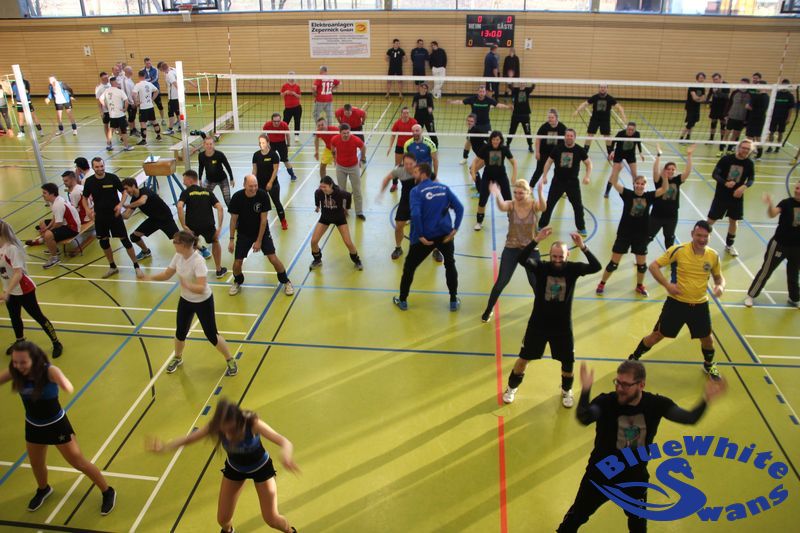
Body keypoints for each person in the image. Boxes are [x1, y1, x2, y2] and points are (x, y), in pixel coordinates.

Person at [556, 360, 726, 532]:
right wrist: (586, 389)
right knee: (573, 521)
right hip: (601, 474)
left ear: (641, 385)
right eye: (617, 382)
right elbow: (584, 417)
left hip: (634, 477)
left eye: (626, 385)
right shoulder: (606, 402)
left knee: (638, 526)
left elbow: (689, 418)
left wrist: (706, 399)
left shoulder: (656, 404)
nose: (620, 388)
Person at [146, 398, 298, 533]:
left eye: (231, 429)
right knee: (223, 520)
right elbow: (189, 439)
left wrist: (286, 454)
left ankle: (289, 531)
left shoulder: (252, 423)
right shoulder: (216, 426)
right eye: (223, 430)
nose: (227, 433)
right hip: (235, 469)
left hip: (261, 469)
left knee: (271, 519)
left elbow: (285, 442)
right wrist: (165, 447)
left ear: (238, 420)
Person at [1, 341, 117, 514]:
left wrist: (64, 384)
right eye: (15, 362)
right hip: (33, 425)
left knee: (78, 462)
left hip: (56, 425)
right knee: (36, 464)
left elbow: (66, 384)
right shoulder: (15, 371)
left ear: (34, 359)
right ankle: (43, 489)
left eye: (23, 362)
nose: (18, 366)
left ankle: (107, 491)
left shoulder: (49, 371)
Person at [502, 231, 601, 407]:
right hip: (538, 324)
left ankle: (566, 390)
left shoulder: (573, 269)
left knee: (567, 362)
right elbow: (521, 259)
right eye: (554, 256)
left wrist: (583, 247)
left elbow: (596, 267)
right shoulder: (541, 267)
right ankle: (511, 388)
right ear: (550, 255)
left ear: (567, 255)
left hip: (562, 327)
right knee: (524, 358)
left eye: (561, 256)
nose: (557, 260)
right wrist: (536, 240)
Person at [628, 221, 725, 380]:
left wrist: (720, 286)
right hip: (676, 304)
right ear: (692, 234)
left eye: (705, 236)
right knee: (657, 335)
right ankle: (633, 358)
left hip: (700, 305)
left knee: (707, 339)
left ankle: (709, 365)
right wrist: (667, 285)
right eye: (699, 235)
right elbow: (653, 266)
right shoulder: (678, 251)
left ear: (710, 236)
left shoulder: (713, 255)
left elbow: (719, 278)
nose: (702, 239)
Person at [140, 231, 237, 376]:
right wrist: (149, 278)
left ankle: (230, 359)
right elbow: (167, 274)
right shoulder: (178, 256)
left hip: (203, 301)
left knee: (212, 335)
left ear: (184, 245)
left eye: (175, 241)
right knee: (180, 333)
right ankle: (177, 357)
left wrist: (186, 285)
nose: (173, 243)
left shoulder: (198, 261)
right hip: (185, 300)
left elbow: (201, 287)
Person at [393, 163, 464, 311]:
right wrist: (455, 228)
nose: (413, 175)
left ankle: (403, 300)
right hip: (445, 235)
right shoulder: (444, 188)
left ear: (424, 174)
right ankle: (453, 300)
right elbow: (460, 207)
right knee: (450, 264)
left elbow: (415, 214)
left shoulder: (416, 191)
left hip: (425, 237)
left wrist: (420, 235)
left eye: (416, 172)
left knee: (409, 267)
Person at [481, 179, 546, 322]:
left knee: (535, 283)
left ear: (528, 193)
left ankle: (542, 311)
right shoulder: (511, 204)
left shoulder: (533, 205)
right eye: (515, 192)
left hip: (530, 249)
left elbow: (543, 207)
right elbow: (502, 206)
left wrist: (541, 192)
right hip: (512, 248)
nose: (517, 195)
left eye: (521, 193)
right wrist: (497, 194)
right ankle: (489, 309)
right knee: (501, 281)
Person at [596, 172, 669, 297]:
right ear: (634, 184)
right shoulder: (628, 194)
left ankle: (639, 286)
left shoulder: (649, 196)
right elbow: (614, 183)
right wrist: (616, 171)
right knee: (613, 264)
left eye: (642, 184)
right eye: (637, 183)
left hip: (641, 235)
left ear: (645, 185)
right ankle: (602, 283)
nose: (640, 186)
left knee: (642, 266)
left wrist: (665, 178)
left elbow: (664, 189)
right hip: (624, 233)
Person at [0, 221, 62, 358]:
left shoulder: (11, 249)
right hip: (9, 289)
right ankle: (20, 341)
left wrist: (7, 293)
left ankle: (56, 343)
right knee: (14, 317)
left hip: (24, 289)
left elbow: (18, 273)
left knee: (38, 316)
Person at [228, 175, 294, 296]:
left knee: (272, 258)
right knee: (237, 263)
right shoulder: (237, 197)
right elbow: (233, 220)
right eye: (251, 186)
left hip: (261, 232)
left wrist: (258, 241)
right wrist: (231, 240)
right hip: (244, 233)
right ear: (244, 185)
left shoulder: (262, 195)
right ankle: (237, 281)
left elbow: (263, 221)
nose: (254, 188)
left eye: (256, 185)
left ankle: (286, 281)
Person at [81, 157, 143, 278]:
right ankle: (112, 267)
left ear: (104, 166)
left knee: (125, 240)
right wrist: (87, 210)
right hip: (100, 217)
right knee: (104, 242)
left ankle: (136, 267)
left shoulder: (112, 178)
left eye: (102, 166)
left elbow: (124, 192)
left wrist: (120, 205)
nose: (100, 169)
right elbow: (84, 198)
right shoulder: (89, 181)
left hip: (114, 216)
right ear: (93, 168)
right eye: (97, 167)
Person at [744, 183, 800, 308]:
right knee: (767, 270)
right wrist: (770, 204)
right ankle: (751, 295)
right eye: (797, 188)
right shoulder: (786, 203)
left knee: (794, 273)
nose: (797, 191)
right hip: (779, 244)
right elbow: (772, 214)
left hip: (797, 247)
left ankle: (794, 298)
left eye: (799, 189)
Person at [537, 129, 593, 236]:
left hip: (573, 183)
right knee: (549, 204)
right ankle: (542, 225)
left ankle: (581, 228)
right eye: (567, 135)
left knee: (578, 206)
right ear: (564, 137)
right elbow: (548, 162)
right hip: (558, 181)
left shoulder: (579, 150)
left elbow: (589, 164)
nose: (569, 137)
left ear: (574, 137)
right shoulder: (557, 148)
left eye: (571, 136)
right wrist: (544, 176)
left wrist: (587, 176)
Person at [707, 139, 755, 257]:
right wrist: (725, 183)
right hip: (721, 196)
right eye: (743, 148)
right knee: (710, 220)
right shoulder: (726, 159)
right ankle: (700, 242)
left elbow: (751, 179)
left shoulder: (749, 163)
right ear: (739, 147)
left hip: (736, 197)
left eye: (748, 149)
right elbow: (715, 174)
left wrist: (744, 187)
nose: (745, 150)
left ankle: (729, 245)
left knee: (734, 221)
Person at [176, 170, 228, 278]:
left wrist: (183, 225)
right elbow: (220, 207)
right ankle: (219, 270)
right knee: (215, 241)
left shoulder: (186, 192)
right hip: (207, 224)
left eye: (184, 180)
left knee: (192, 245)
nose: (183, 182)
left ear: (190, 180)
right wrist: (219, 227)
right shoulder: (207, 192)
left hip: (192, 225)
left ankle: (195, 271)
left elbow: (180, 206)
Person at [309, 176, 363, 271]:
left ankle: (357, 261)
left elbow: (348, 196)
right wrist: (317, 205)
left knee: (348, 242)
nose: (322, 189)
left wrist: (347, 208)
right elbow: (316, 194)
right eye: (321, 186)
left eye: (325, 187)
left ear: (331, 185)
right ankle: (317, 260)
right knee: (313, 241)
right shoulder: (319, 192)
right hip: (325, 218)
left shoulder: (340, 193)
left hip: (339, 219)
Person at [121, 178, 180, 261]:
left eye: (126, 188)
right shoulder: (133, 200)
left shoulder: (145, 190)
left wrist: (128, 205)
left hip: (165, 218)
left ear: (133, 186)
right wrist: (115, 214)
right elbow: (127, 215)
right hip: (153, 219)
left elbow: (142, 201)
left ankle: (197, 249)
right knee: (134, 237)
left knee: (180, 238)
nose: (126, 191)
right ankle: (146, 251)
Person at [648, 145, 695, 249]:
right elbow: (655, 171)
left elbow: (687, 172)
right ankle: (640, 254)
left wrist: (689, 155)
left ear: (675, 171)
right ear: (664, 170)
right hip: (657, 215)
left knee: (669, 239)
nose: (670, 171)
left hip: (672, 216)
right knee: (648, 236)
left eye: (673, 169)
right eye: (668, 169)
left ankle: (670, 256)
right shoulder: (659, 180)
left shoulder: (677, 180)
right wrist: (658, 155)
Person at [472, 130, 517, 231]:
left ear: (500, 140)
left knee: (508, 199)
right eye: (493, 139)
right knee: (482, 200)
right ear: (491, 140)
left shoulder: (504, 149)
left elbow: (514, 162)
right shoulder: (486, 148)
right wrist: (473, 173)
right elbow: (475, 161)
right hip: (488, 176)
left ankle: (512, 221)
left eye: (497, 139)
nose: (495, 141)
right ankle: (479, 222)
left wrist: (514, 176)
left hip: (501, 176)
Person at [380, 153, 417, 260]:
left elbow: (435, 182)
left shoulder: (422, 170)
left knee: (431, 225)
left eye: (411, 164)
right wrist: (381, 193)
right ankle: (398, 248)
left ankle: (436, 250)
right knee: (399, 226)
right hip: (405, 201)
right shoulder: (399, 170)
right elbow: (387, 178)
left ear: (416, 163)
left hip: (420, 202)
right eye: (406, 164)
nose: (408, 166)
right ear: (403, 163)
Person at [36, 183, 81, 269]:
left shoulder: (58, 204)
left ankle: (54, 258)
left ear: (52, 194)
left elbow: (58, 224)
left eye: (45, 193)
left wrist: (47, 231)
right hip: (65, 223)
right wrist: (47, 227)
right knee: (42, 224)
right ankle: (54, 248)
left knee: (48, 235)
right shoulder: (53, 201)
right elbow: (55, 217)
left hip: (72, 228)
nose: (42, 195)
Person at [574, 84, 625, 155]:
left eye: (604, 87)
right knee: (590, 135)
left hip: (605, 120)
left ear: (607, 89)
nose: (602, 89)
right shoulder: (595, 97)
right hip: (594, 119)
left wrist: (623, 115)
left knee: (607, 136)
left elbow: (619, 107)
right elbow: (585, 104)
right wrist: (577, 111)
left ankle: (610, 152)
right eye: (601, 87)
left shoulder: (610, 98)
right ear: (599, 88)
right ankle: (585, 151)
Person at [331, 123, 367, 220]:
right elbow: (332, 147)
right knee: (341, 190)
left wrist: (362, 158)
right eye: (344, 133)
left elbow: (363, 147)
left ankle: (359, 212)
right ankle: (342, 210)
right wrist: (334, 158)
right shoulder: (335, 139)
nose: (346, 135)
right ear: (340, 133)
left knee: (357, 190)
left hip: (353, 167)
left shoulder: (355, 139)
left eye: (348, 132)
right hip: (340, 167)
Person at [252, 134, 289, 230]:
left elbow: (275, 170)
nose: (261, 144)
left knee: (277, 203)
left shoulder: (273, 155)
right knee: (259, 204)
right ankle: (259, 222)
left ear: (268, 143)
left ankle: (283, 221)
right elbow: (254, 170)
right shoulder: (256, 155)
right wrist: (253, 182)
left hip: (273, 184)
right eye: (260, 143)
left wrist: (270, 182)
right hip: (260, 184)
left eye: (263, 142)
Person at [603, 122, 644, 198]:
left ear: (635, 130)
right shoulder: (621, 133)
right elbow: (613, 142)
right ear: (626, 128)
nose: (630, 131)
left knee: (635, 175)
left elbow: (638, 142)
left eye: (632, 130)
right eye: (629, 129)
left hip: (630, 155)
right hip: (619, 154)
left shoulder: (637, 134)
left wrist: (641, 153)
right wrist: (612, 151)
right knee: (614, 174)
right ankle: (607, 191)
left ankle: (636, 192)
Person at [530, 109, 566, 186]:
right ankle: (531, 186)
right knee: (539, 170)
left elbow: (566, 141)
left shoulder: (562, 127)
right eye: (549, 117)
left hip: (557, 153)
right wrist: (537, 152)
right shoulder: (544, 127)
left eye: (552, 117)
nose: (550, 119)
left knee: (561, 171)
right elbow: (538, 140)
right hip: (544, 152)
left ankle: (562, 188)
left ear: (556, 118)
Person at [198, 137, 235, 207]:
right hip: (209, 180)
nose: (209, 146)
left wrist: (231, 178)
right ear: (204, 145)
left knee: (227, 200)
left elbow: (227, 166)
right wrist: (199, 179)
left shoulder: (219, 154)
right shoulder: (201, 155)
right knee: (204, 198)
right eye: (207, 144)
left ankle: (234, 213)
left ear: (214, 144)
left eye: (211, 144)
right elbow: (201, 167)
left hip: (222, 180)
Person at [262, 112, 298, 182]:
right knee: (269, 160)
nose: (276, 123)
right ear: (272, 120)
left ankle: (292, 175)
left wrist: (288, 144)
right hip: (271, 144)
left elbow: (287, 135)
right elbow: (263, 135)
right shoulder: (267, 125)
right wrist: (266, 144)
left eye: (278, 121)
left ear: (280, 120)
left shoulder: (284, 125)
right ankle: (268, 176)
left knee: (285, 160)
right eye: (274, 121)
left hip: (282, 144)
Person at [103, 77, 134, 152]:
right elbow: (126, 101)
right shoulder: (120, 91)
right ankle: (126, 146)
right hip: (120, 115)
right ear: (114, 82)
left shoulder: (106, 91)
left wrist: (107, 107)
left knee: (111, 130)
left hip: (112, 115)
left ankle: (108, 145)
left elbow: (102, 100)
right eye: (117, 82)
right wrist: (125, 109)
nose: (118, 83)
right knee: (123, 131)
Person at [721, 78, 750, 155]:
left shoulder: (750, 94)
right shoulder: (735, 92)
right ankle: (721, 149)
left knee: (735, 135)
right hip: (732, 116)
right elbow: (729, 103)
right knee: (726, 133)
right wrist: (725, 114)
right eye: (741, 83)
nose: (742, 85)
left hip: (741, 118)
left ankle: (729, 150)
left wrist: (747, 119)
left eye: (744, 83)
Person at [387, 107, 418, 178]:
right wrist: (390, 147)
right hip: (400, 146)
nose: (406, 115)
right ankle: (395, 182)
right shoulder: (397, 123)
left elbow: (417, 134)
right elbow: (393, 135)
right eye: (404, 113)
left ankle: (413, 179)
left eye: (407, 113)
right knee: (397, 165)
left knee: (411, 164)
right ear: (401, 114)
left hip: (410, 146)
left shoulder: (414, 122)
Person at [133, 69, 162, 145]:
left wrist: (136, 102)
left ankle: (144, 140)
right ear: (145, 76)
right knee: (154, 121)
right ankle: (159, 136)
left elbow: (134, 94)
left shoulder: (138, 85)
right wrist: (152, 99)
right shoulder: (149, 84)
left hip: (143, 107)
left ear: (138, 76)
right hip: (150, 106)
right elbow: (157, 91)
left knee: (143, 123)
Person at [766, 79, 795, 154]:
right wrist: (769, 115)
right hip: (774, 116)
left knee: (780, 132)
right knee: (771, 132)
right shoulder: (776, 94)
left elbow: (791, 108)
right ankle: (770, 146)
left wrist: (788, 118)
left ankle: (777, 147)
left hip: (783, 118)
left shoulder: (790, 96)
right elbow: (771, 105)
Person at [745, 81, 770, 160]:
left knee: (750, 137)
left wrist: (748, 107)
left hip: (755, 118)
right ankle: (758, 154)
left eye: (758, 85)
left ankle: (748, 153)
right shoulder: (767, 97)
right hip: (760, 118)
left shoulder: (757, 96)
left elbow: (751, 107)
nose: (756, 87)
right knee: (756, 136)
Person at [507, 81, 534, 152]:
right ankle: (507, 144)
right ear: (519, 84)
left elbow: (533, 87)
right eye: (521, 83)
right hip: (516, 115)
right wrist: (509, 80)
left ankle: (530, 145)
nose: (522, 84)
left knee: (527, 131)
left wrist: (534, 81)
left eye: (523, 83)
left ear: (525, 84)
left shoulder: (527, 90)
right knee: (512, 130)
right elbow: (510, 86)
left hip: (525, 115)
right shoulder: (515, 90)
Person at [680, 72, 706, 140]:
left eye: (703, 78)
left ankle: (688, 137)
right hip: (690, 107)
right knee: (690, 123)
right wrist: (699, 99)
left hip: (697, 107)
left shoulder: (702, 88)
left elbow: (703, 98)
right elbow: (694, 98)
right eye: (700, 77)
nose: (702, 79)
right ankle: (681, 137)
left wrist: (698, 99)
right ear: (697, 78)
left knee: (693, 123)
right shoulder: (692, 86)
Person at [707, 72, 729, 142]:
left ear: (720, 78)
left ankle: (722, 140)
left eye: (716, 79)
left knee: (723, 124)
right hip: (714, 107)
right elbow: (710, 94)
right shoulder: (713, 85)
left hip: (723, 108)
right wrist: (707, 101)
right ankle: (711, 139)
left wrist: (717, 91)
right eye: (713, 79)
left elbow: (726, 96)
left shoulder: (726, 85)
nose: (715, 81)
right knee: (713, 123)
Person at [160, 61, 180, 134]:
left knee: (170, 113)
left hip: (173, 97)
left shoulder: (169, 74)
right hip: (177, 96)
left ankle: (170, 129)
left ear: (162, 69)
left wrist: (180, 91)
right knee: (178, 111)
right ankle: (180, 126)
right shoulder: (174, 70)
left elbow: (175, 83)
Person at [143, 57, 165, 124]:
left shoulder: (155, 70)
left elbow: (155, 79)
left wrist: (147, 81)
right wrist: (149, 79)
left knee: (160, 106)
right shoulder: (142, 71)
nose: (148, 64)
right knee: (148, 106)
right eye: (147, 63)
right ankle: (150, 120)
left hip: (155, 91)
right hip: (147, 91)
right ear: (145, 63)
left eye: (149, 63)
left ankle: (163, 119)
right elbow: (142, 80)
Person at [94, 72, 113, 150]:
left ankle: (119, 137)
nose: (106, 79)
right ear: (101, 78)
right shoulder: (99, 88)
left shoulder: (110, 85)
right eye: (105, 78)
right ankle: (108, 141)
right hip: (105, 110)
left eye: (107, 77)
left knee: (115, 125)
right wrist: (101, 111)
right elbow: (98, 101)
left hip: (113, 109)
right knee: (106, 125)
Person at [280, 72, 302, 138]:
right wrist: (285, 92)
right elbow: (281, 95)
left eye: (293, 77)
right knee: (285, 122)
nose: (291, 78)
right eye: (290, 77)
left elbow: (299, 96)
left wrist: (294, 94)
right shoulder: (284, 86)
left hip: (297, 107)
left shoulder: (297, 86)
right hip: (288, 108)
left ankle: (296, 135)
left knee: (297, 122)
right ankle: (282, 134)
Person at [121, 66, 138, 138]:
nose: (132, 71)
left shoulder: (129, 79)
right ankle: (131, 130)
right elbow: (126, 93)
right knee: (131, 117)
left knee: (133, 116)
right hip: (130, 103)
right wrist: (132, 102)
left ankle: (134, 129)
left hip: (133, 101)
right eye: (131, 70)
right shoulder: (125, 81)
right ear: (127, 71)